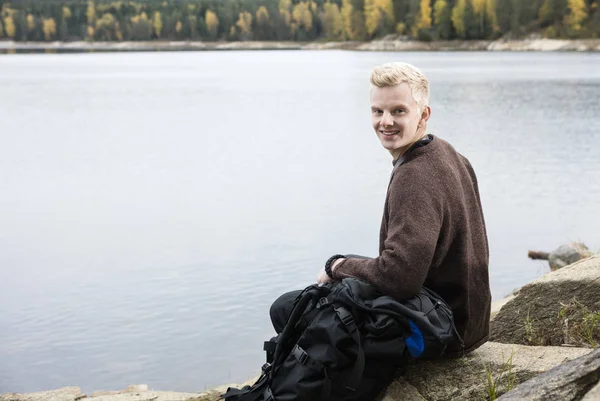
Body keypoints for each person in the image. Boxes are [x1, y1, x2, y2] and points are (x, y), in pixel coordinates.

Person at [271, 62, 491, 358]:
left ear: (423, 114)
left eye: (398, 111)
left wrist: (337, 266)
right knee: (332, 285)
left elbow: (400, 278)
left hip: (438, 332)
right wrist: (344, 268)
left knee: (288, 308)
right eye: (378, 111)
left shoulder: (414, 175)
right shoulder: (449, 154)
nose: (386, 121)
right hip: (468, 322)